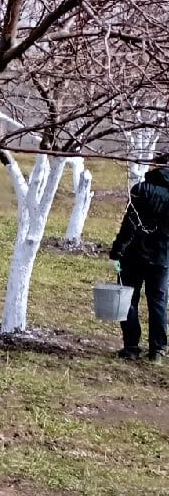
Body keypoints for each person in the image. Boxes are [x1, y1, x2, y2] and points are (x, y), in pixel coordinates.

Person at [109, 149, 169, 362]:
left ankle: (132, 347)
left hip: (133, 256)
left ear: (156, 166)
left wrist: (117, 250)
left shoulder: (141, 190)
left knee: (129, 299)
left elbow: (129, 224)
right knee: (158, 303)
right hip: (162, 258)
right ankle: (158, 351)